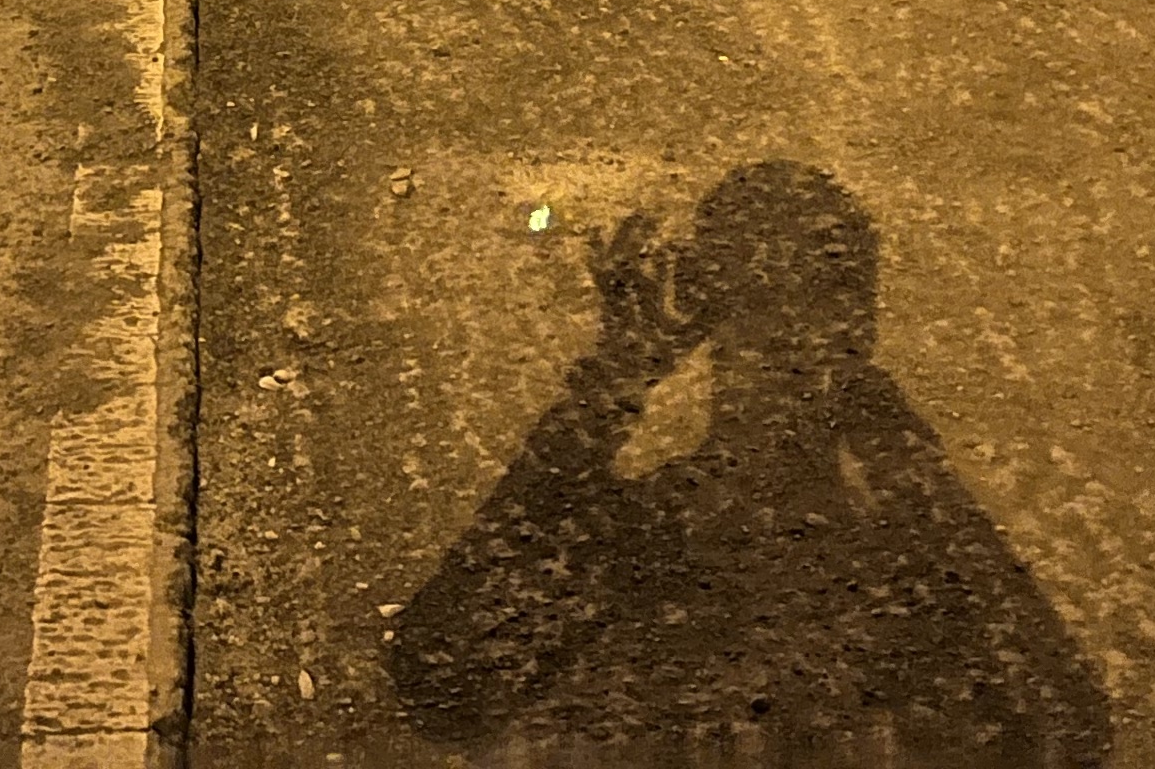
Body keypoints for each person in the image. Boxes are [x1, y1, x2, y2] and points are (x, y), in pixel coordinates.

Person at [386, 161, 1112, 758]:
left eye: (816, 295)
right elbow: (436, 680)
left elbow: (1070, 733)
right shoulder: (656, 539)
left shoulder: (896, 569)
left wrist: (616, 376)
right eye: (767, 296)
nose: (790, 331)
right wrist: (614, 377)